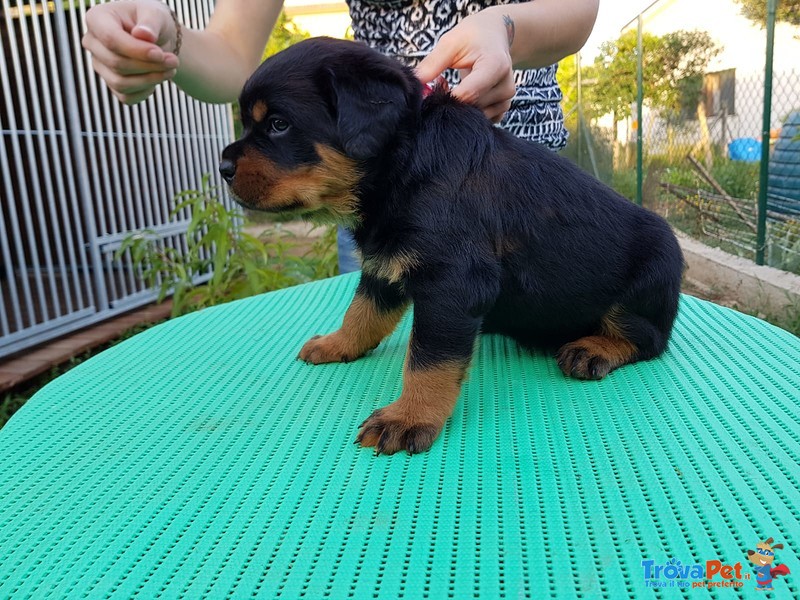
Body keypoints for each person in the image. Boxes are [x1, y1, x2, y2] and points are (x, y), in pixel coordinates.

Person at [82, 0, 599, 272]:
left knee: (535, 334)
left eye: (273, 125)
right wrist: (163, 40)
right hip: (372, 179)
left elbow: (578, 8)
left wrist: (503, 25)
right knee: (380, 330)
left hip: (516, 177)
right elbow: (232, 51)